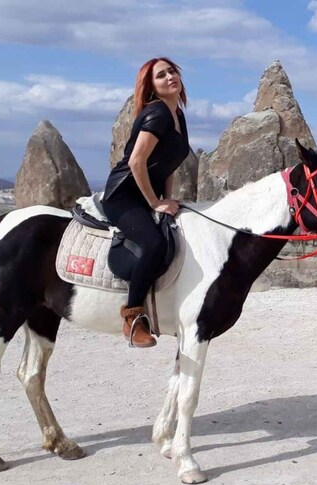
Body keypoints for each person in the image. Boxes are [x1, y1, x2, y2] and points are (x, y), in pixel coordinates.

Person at [101, 57, 190, 347]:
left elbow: (167, 164)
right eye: (160, 75)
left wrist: (167, 198)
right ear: (151, 87)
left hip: (147, 195)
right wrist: (154, 203)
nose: (169, 77)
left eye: (172, 71)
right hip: (124, 196)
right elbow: (137, 161)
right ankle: (133, 318)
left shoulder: (177, 114)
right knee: (154, 244)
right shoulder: (158, 114)